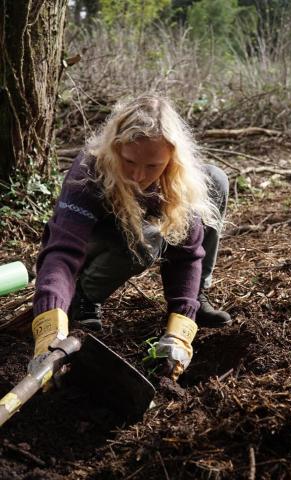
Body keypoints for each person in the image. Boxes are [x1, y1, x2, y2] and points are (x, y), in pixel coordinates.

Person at [30, 94, 231, 382]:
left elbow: (188, 254)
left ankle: (198, 299)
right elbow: (61, 253)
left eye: (152, 166)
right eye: (129, 161)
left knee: (212, 180)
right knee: (147, 235)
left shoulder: (176, 179)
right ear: (115, 149)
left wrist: (180, 330)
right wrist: (49, 329)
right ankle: (83, 296)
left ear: (170, 160)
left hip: (137, 235)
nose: (138, 175)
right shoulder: (89, 171)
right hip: (95, 242)